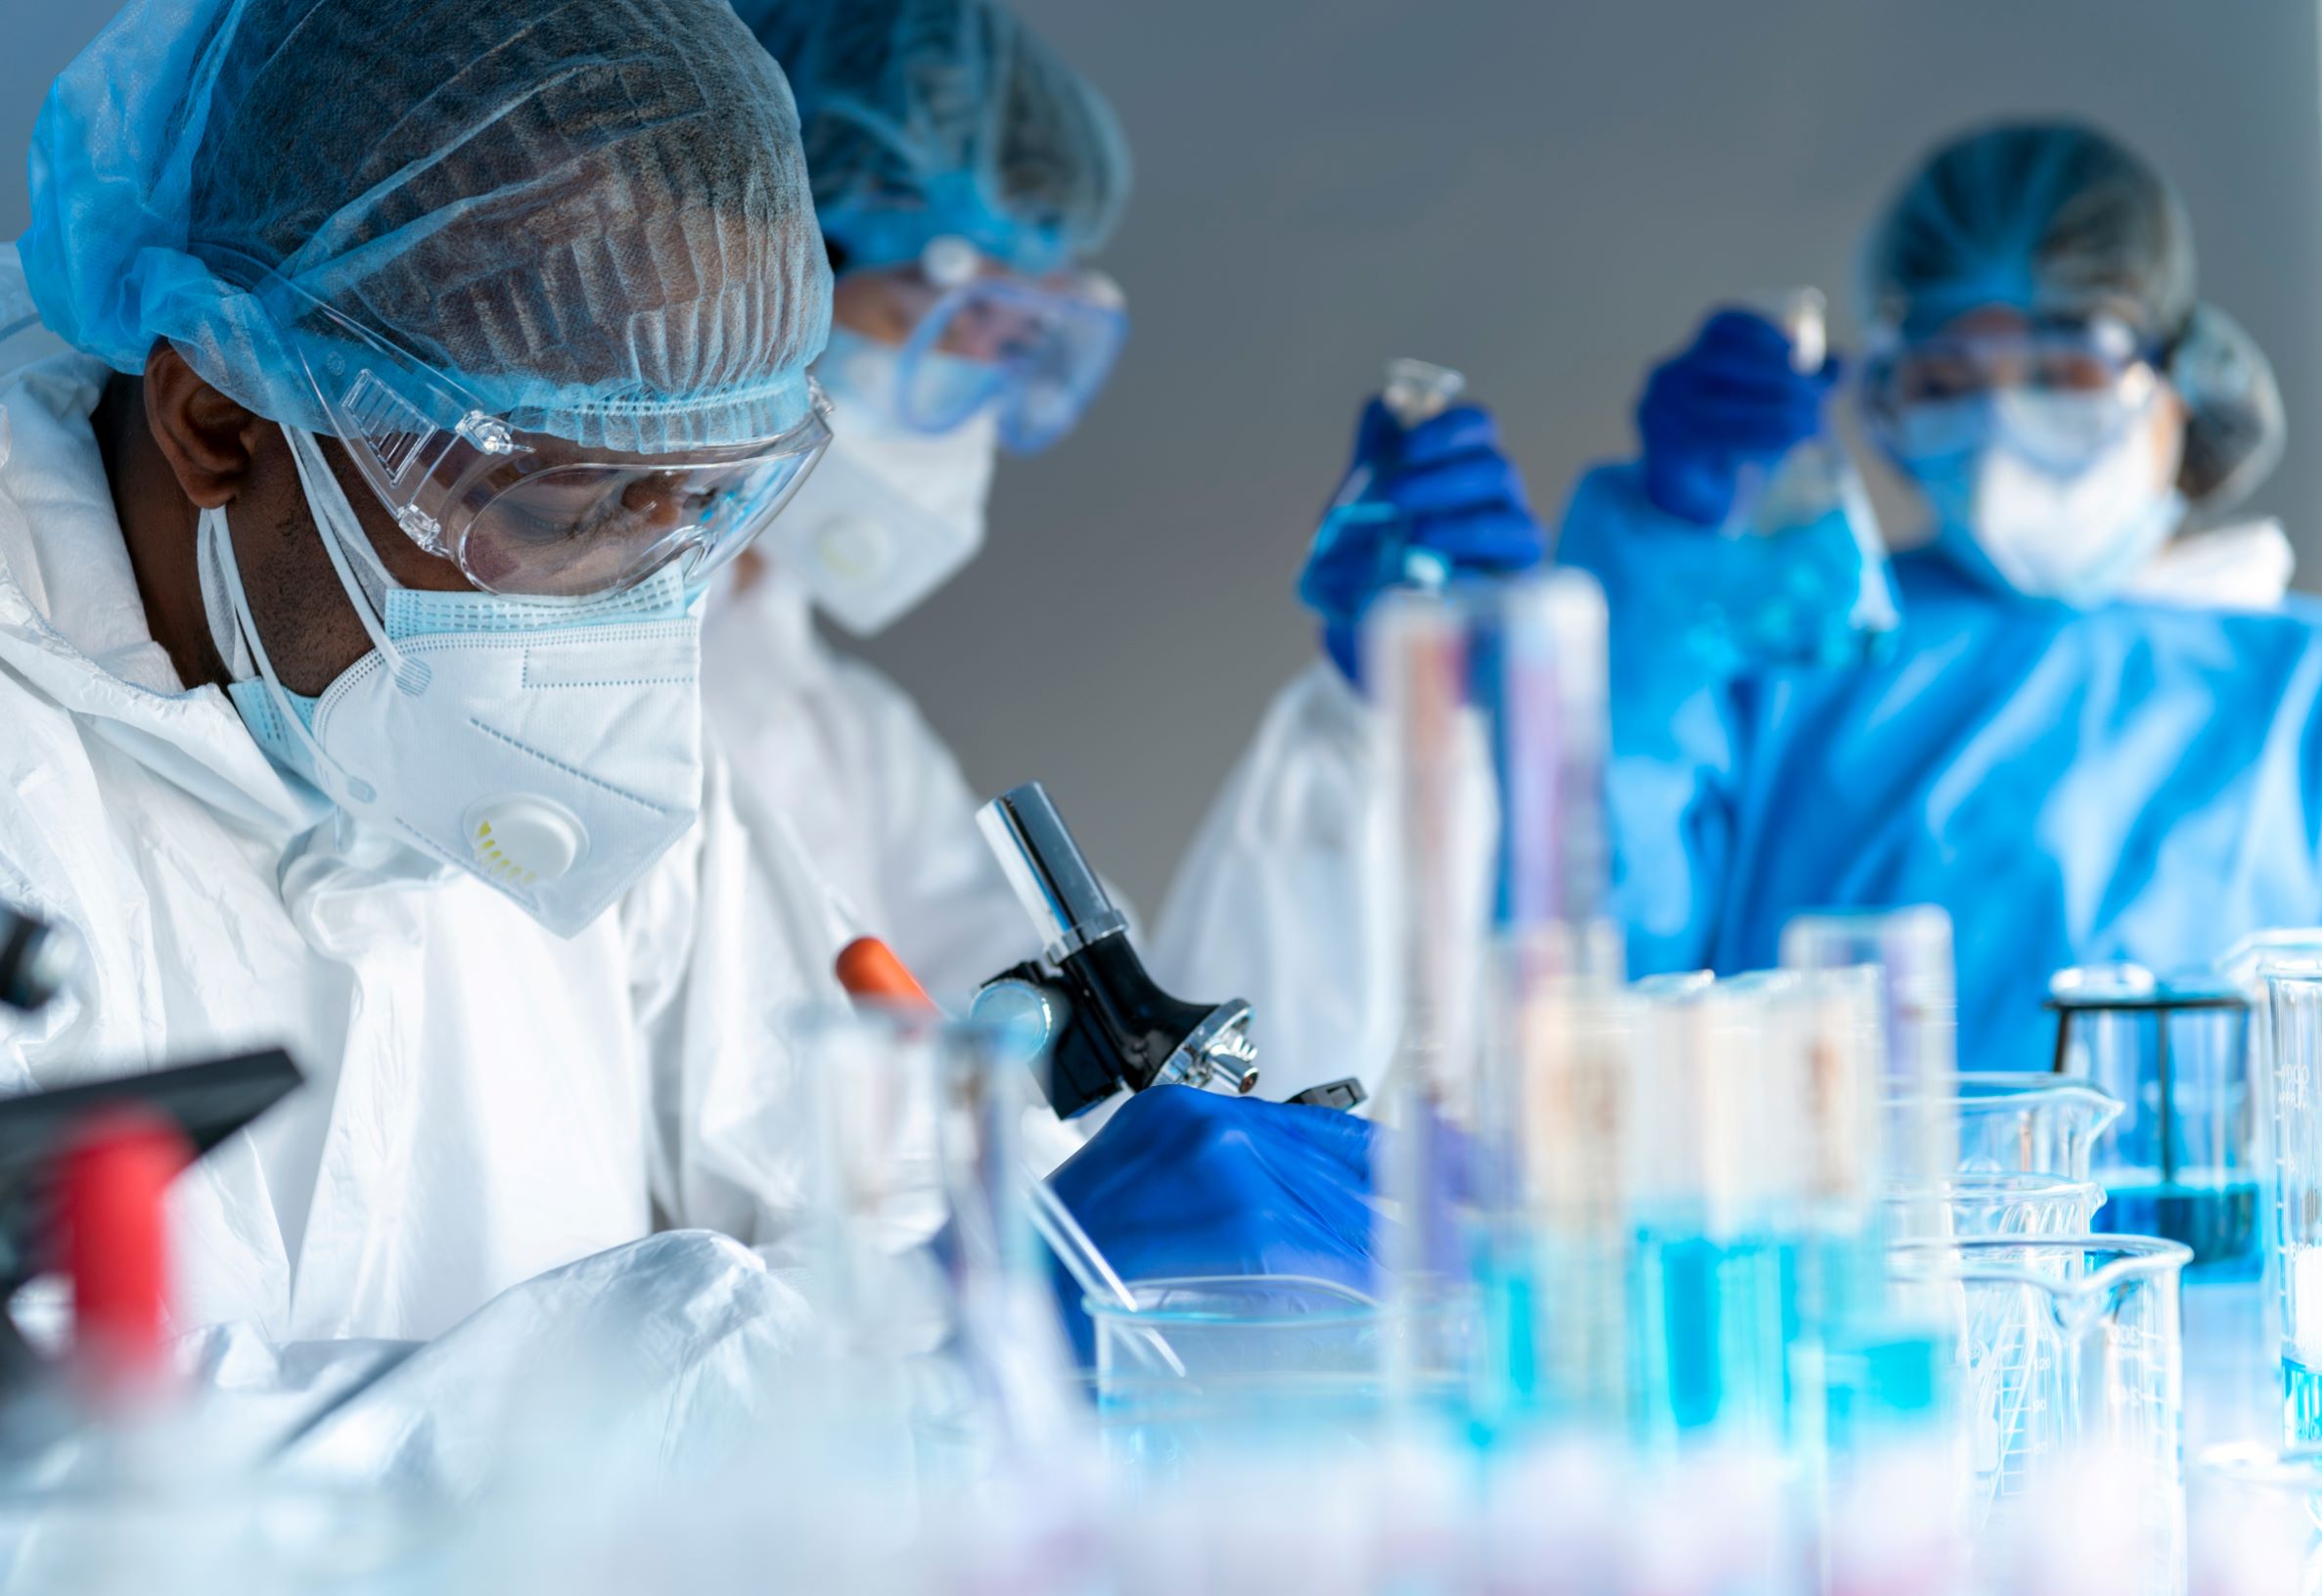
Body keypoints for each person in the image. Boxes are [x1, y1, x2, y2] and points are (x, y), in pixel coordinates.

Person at [0, 0, 1369, 1360]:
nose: (640, 602)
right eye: (562, 497)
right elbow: (79, 1481)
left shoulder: (568, 729)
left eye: (702, 503)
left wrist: (1053, 1237)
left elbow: (880, 1199)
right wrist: (825, 1354)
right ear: (220, 420)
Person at [1161, 118, 2322, 1085]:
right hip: (1830, 1329)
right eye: (1949, 379)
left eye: (2064, 368)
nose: (2003, 426)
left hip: (2238, 1352)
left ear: (2182, 377)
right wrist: (1669, 559)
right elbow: (1589, 987)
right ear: (1885, 400)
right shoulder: (1789, 655)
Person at [705, 0, 1134, 1008]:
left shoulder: (843, 728)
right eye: (952, 311)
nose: (975, 376)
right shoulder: (545, 666)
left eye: (1017, 333)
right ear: (773, 269)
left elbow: (1000, 970)